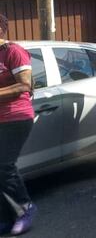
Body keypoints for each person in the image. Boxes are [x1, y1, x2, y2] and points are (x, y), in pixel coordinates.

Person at [0, 14, 37, 235]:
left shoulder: (12, 51)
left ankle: (26, 208)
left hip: (16, 117)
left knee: (4, 166)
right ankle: (6, 217)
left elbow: (25, 85)